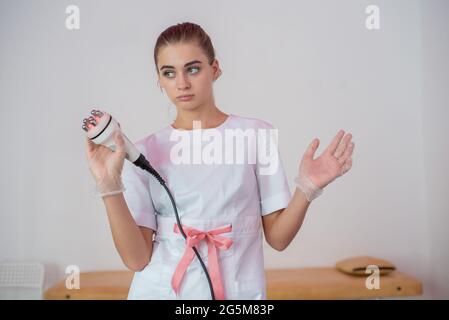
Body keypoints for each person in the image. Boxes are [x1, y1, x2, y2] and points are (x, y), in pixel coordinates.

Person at [84, 22, 355, 300]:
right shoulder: (141, 153)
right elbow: (136, 260)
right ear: (159, 80)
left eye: (193, 68)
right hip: (162, 292)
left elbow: (278, 238)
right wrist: (109, 187)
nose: (182, 83)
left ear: (214, 69)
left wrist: (306, 188)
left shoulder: (255, 135)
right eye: (169, 73)